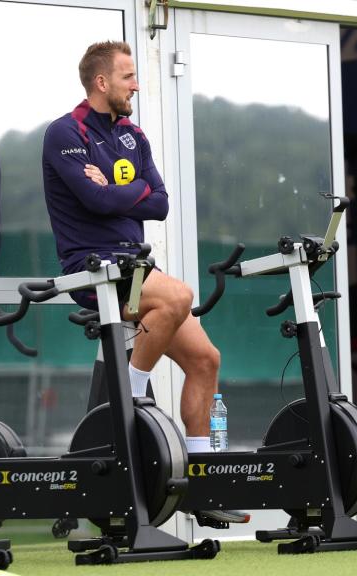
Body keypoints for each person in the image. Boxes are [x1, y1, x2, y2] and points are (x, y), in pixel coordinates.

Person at [42, 41, 248, 525]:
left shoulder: (133, 136)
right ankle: (129, 398)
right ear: (101, 83)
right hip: (92, 269)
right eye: (128, 76)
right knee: (178, 295)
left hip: (133, 267)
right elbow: (93, 202)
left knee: (205, 359)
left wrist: (113, 190)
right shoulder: (64, 133)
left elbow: (161, 203)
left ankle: (201, 486)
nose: (136, 84)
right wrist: (124, 193)